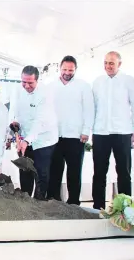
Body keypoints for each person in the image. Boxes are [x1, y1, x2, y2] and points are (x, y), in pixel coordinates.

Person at [91, 51, 134, 210]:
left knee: (124, 172)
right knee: (99, 172)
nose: (108, 66)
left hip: (123, 133)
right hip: (100, 132)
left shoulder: (129, 81)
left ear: (119, 64)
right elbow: (92, 107)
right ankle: (97, 207)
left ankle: (125, 208)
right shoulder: (98, 82)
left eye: (111, 63)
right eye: (105, 62)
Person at [47, 56, 94, 205]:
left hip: (76, 136)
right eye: (65, 69)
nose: (67, 72)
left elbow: (89, 110)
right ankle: (54, 200)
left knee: (74, 172)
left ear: (76, 70)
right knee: (54, 170)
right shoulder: (50, 86)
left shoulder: (84, 86)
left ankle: (74, 202)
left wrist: (86, 130)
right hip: (55, 135)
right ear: (59, 68)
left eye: (71, 70)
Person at [10, 65, 58, 200]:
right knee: (25, 169)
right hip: (24, 137)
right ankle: (26, 202)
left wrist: (27, 140)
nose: (26, 85)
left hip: (44, 139)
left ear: (37, 80)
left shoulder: (45, 93)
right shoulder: (17, 90)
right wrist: (14, 124)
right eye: (23, 82)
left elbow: (40, 121)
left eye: (30, 83)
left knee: (41, 172)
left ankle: (40, 203)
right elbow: (13, 111)